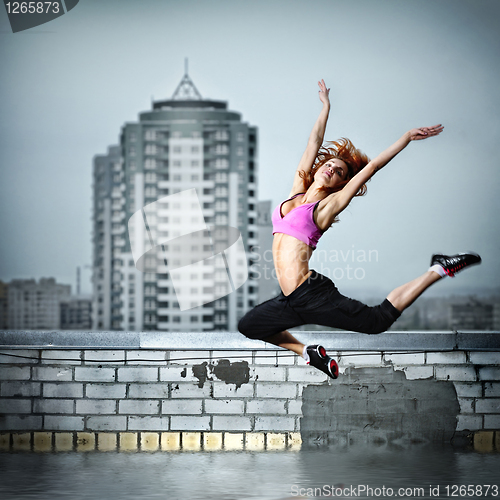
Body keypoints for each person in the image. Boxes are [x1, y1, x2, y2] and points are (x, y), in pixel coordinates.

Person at [238, 79, 481, 379]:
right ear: (318, 167)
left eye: (340, 172)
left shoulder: (325, 208)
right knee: (250, 325)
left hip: (311, 295)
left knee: (376, 321)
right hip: (291, 300)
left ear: (341, 183)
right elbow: (313, 143)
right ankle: (308, 353)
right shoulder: (297, 190)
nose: (332, 169)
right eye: (330, 165)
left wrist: (405, 137)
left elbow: (371, 168)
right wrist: (326, 107)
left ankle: (439, 269)